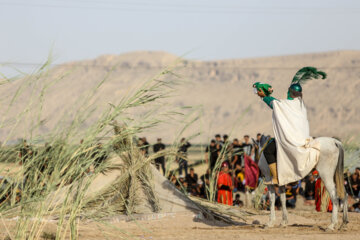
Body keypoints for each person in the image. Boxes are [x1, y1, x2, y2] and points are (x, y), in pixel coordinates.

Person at [253, 67, 326, 185]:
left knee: (268, 151)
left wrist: (263, 95)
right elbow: (280, 105)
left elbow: (275, 104)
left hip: (291, 140)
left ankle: (276, 177)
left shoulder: (288, 104)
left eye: (288, 91)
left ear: (290, 92)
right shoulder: (300, 105)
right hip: (303, 138)